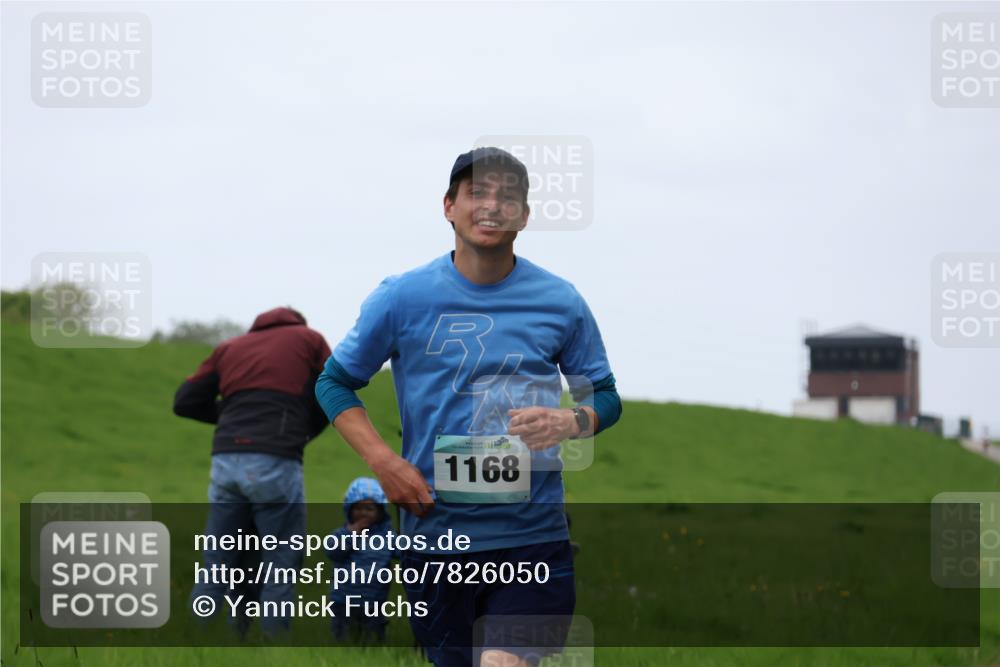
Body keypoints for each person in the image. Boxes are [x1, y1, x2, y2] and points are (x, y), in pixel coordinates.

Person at [315, 147, 622, 666]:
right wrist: (384, 463)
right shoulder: (401, 298)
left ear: (525, 215)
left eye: (508, 197)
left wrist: (571, 420)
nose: (492, 206)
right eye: (477, 192)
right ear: (448, 206)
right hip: (434, 539)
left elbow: (606, 397)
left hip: (532, 540)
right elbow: (334, 383)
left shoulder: (560, 301)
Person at [174, 306, 331, 636]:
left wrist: (235, 417)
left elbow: (185, 400)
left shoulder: (229, 347)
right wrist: (299, 432)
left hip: (226, 461)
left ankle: (193, 638)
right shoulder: (308, 340)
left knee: (218, 560)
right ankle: (273, 643)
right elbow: (332, 391)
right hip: (275, 460)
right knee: (281, 558)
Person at [325, 477, 395, 643]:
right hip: (344, 599)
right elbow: (333, 552)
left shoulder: (387, 536)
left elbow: (403, 552)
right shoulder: (342, 533)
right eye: (358, 508)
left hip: (374, 599)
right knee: (344, 637)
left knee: (372, 638)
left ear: (380, 512)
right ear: (349, 510)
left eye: (369, 508)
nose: (363, 513)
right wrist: (350, 534)